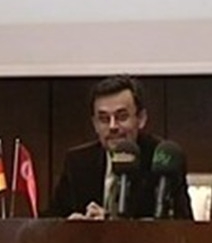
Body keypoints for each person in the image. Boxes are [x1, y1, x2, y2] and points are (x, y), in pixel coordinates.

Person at [49, 75, 192, 220]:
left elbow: (182, 224)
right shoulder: (77, 163)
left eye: (122, 117)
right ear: (94, 124)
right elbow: (51, 221)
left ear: (141, 118)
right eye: (104, 119)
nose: (113, 126)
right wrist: (70, 224)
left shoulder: (162, 159)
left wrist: (110, 223)